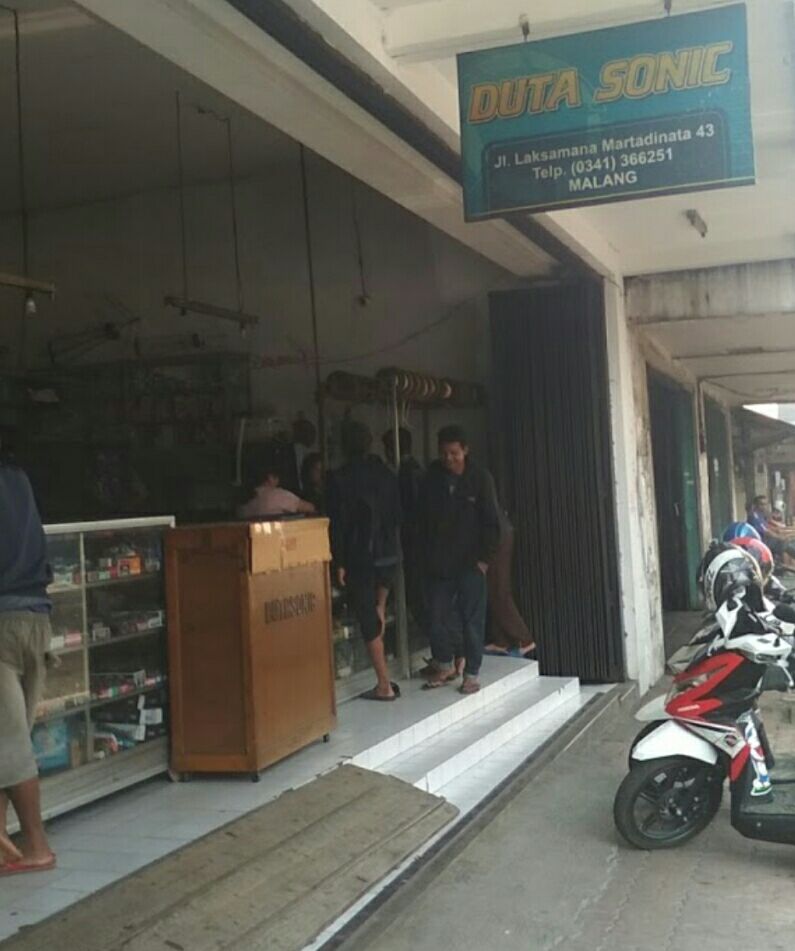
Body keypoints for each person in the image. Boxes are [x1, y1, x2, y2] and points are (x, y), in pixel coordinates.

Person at [0, 453, 56, 875]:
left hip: (1, 620)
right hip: (35, 617)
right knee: (10, 736)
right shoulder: (18, 478)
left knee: (10, 743)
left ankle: (36, 847)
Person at [419, 425, 500, 695]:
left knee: (472, 621)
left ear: (465, 450)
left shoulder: (480, 478)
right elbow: (422, 519)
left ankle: (471, 673)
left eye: (454, 453)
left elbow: (492, 522)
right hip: (439, 563)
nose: (449, 458)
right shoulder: (432, 478)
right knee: (436, 615)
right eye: (444, 453)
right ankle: (444, 663)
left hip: (471, 563)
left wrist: (484, 561)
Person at [327, 421, 401, 701]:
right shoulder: (386, 474)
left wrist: (340, 561)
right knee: (378, 607)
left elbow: (338, 525)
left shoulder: (339, 479)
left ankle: (384, 684)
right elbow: (398, 513)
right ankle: (381, 611)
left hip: (360, 555)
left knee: (366, 616)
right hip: (389, 552)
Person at [382, 428, 425, 631]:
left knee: (414, 589)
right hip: (417, 539)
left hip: (411, 540)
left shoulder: (405, 473)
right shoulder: (416, 469)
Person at [238, 464, 316, 518]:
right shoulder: (278, 495)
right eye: (277, 477)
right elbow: (310, 508)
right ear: (270, 478)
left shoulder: (244, 502)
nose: (278, 480)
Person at [748, 495, 795, 566]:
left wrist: (780, 533)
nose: (764, 506)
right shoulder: (754, 516)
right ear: (756, 505)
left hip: (766, 539)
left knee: (787, 542)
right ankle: (786, 567)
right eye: (761, 504)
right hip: (761, 542)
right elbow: (766, 531)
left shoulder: (761, 515)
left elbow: (769, 528)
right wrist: (779, 537)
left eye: (765, 504)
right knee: (784, 544)